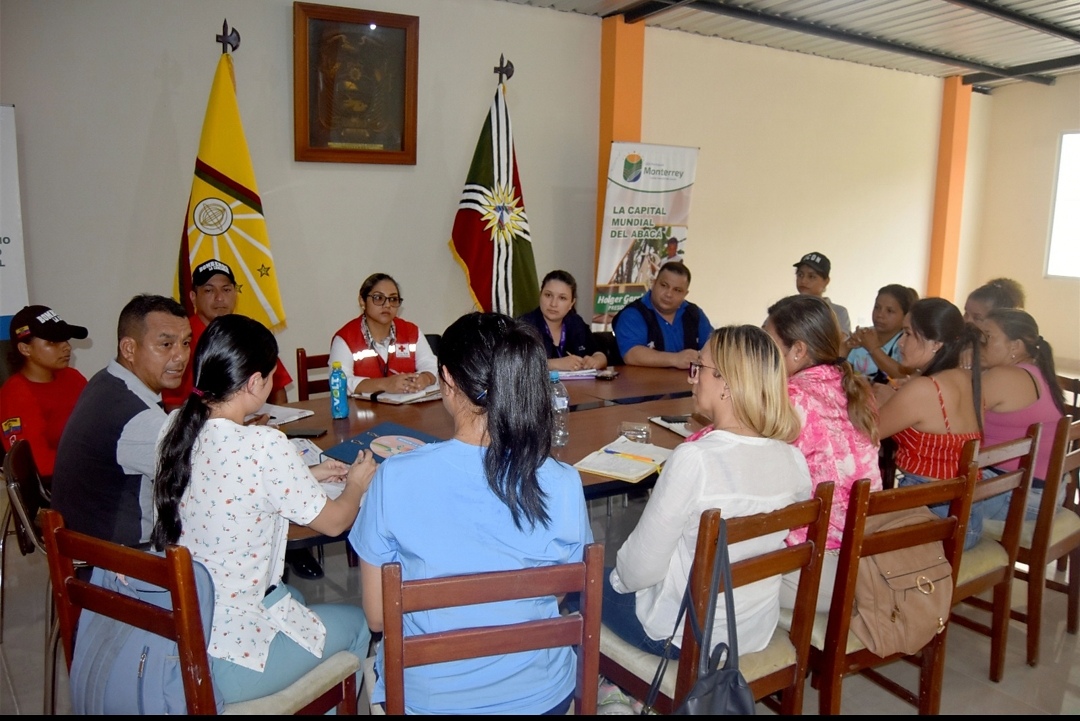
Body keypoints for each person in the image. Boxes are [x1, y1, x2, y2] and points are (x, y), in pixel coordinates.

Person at [351, 312, 592, 715]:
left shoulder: (394, 478)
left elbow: (377, 618)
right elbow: (557, 590)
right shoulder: (563, 481)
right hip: (543, 696)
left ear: (446, 379)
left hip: (431, 702)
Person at [152, 314, 372, 703]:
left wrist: (308, 474)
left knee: (296, 599)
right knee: (358, 623)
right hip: (229, 662)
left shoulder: (174, 427)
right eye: (270, 377)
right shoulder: (264, 445)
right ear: (254, 382)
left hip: (180, 633)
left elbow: (230, 489)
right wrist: (356, 483)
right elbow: (337, 522)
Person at [605, 325, 811, 659]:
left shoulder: (696, 459)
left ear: (726, 383)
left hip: (686, 636)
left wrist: (615, 583)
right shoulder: (793, 460)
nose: (692, 378)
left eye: (699, 367)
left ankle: (609, 680)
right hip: (753, 630)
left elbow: (640, 570)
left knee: (584, 579)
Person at [764, 295, 881, 611]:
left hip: (816, 570)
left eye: (769, 345)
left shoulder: (790, 396)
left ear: (798, 351)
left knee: (700, 567)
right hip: (864, 559)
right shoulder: (856, 389)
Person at [51, 295, 191, 547]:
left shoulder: (106, 380)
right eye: (166, 344)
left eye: (186, 343)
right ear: (129, 349)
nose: (180, 356)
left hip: (86, 542)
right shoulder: (138, 419)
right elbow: (210, 480)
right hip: (122, 559)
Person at [877, 298, 984, 549]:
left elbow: (866, 434)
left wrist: (877, 401)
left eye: (907, 334)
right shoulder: (967, 377)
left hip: (933, 517)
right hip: (968, 517)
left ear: (936, 343)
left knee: (844, 534)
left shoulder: (925, 389)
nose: (900, 343)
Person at [161, 259, 292, 409]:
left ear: (235, 293)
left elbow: (278, 389)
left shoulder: (249, 332)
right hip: (200, 421)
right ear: (193, 297)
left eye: (226, 290)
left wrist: (275, 419)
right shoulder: (182, 338)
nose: (219, 298)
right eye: (209, 290)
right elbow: (172, 405)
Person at [980, 309, 1067, 521]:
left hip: (1019, 496)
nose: (978, 344)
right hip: (1044, 492)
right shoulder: (1036, 371)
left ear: (1015, 346)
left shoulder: (1005, 376)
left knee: (921, 489)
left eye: (987, 337)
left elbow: (950, 416)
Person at [1, 305, 88, 479]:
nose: (67, 347)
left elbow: (98, 424)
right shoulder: (16, 395)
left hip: (85, 471)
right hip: (56, 484)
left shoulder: (72, 377)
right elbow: (37, 463)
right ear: (25, 349)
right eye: (53, 342)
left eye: (65, 340)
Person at [329, 273, 437, 395]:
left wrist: (425, 378)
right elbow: (340, 382)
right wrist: (385, 384)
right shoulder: (345, 338)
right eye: (378, 298)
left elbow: (431, 365)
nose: (387, 305)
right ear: (362, 301)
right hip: (362, 407)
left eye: (393, 299)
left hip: (407, 405)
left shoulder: (411, 331)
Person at [613, 261, 713, 369]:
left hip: (687, 380)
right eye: (664, 285)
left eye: (677, 290)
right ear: (653, 283)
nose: (669, 294)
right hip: (643, 380)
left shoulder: (694, 314)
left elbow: (714, 347)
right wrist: (675, 359)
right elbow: (631, 355)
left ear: (685, 294)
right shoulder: (633, 314)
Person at [519, 269, 608, 371]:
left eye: (562, 298)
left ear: (571, 303)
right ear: (540, 295)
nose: (553, 304)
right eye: (548, 295)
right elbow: (514, 364)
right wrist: (553, 364)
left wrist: (596, 360)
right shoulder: (523, 326)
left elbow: (599, 354)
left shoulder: (576, 323)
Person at [845, 284, 919, 383]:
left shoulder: (907, 341)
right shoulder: (863, 335)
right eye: (877, 307)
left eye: (890, 311)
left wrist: (873, 348)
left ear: (905, 316)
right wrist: (847, 346)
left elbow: (905, 376)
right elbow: (842, 370)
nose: (880, 315)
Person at [793, 252, 851, 336]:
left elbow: (840, 342)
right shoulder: (785, 309)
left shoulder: (838, 312)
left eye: (811, 276)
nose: (803, 281)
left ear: (826, 281)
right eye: (800, 275)